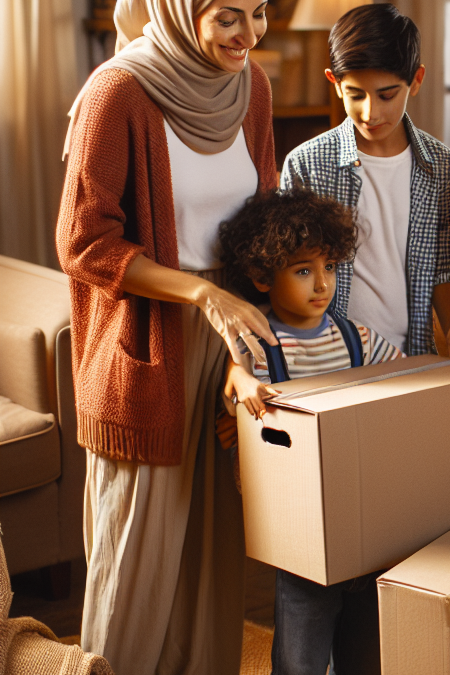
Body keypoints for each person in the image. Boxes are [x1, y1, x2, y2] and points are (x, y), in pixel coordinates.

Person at [55, 0, 278, 671]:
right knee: (136, 564)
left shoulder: (253, 87)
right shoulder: (118, 91)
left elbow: (262, 214)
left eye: (260, 12)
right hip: (147, 346)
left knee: (213, 548)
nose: (250, 34)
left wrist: (255, 345)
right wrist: (202, 292)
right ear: (182, 12)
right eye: (229, 17)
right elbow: (85, 243)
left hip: (228, 346)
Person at [217, 188, 402, 675]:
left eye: (330, 269)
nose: (322, 285)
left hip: (367, 518)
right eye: (303, 271)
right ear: (262, 277)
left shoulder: (356, 337)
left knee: (366, 648)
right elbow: (234, 388)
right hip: (301, 529)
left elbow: (410, 383)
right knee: (301, 652)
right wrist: (238, 379)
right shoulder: (256, 346)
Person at [280, 3, 450, 365]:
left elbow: (446, 264)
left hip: (412, 356)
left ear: (415, 81)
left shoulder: (445, 169)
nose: (371, 113)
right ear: (334, 84)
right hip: (327, 358)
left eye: (387, 95)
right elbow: (286, 271)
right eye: (356, 95)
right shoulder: (306, 165)